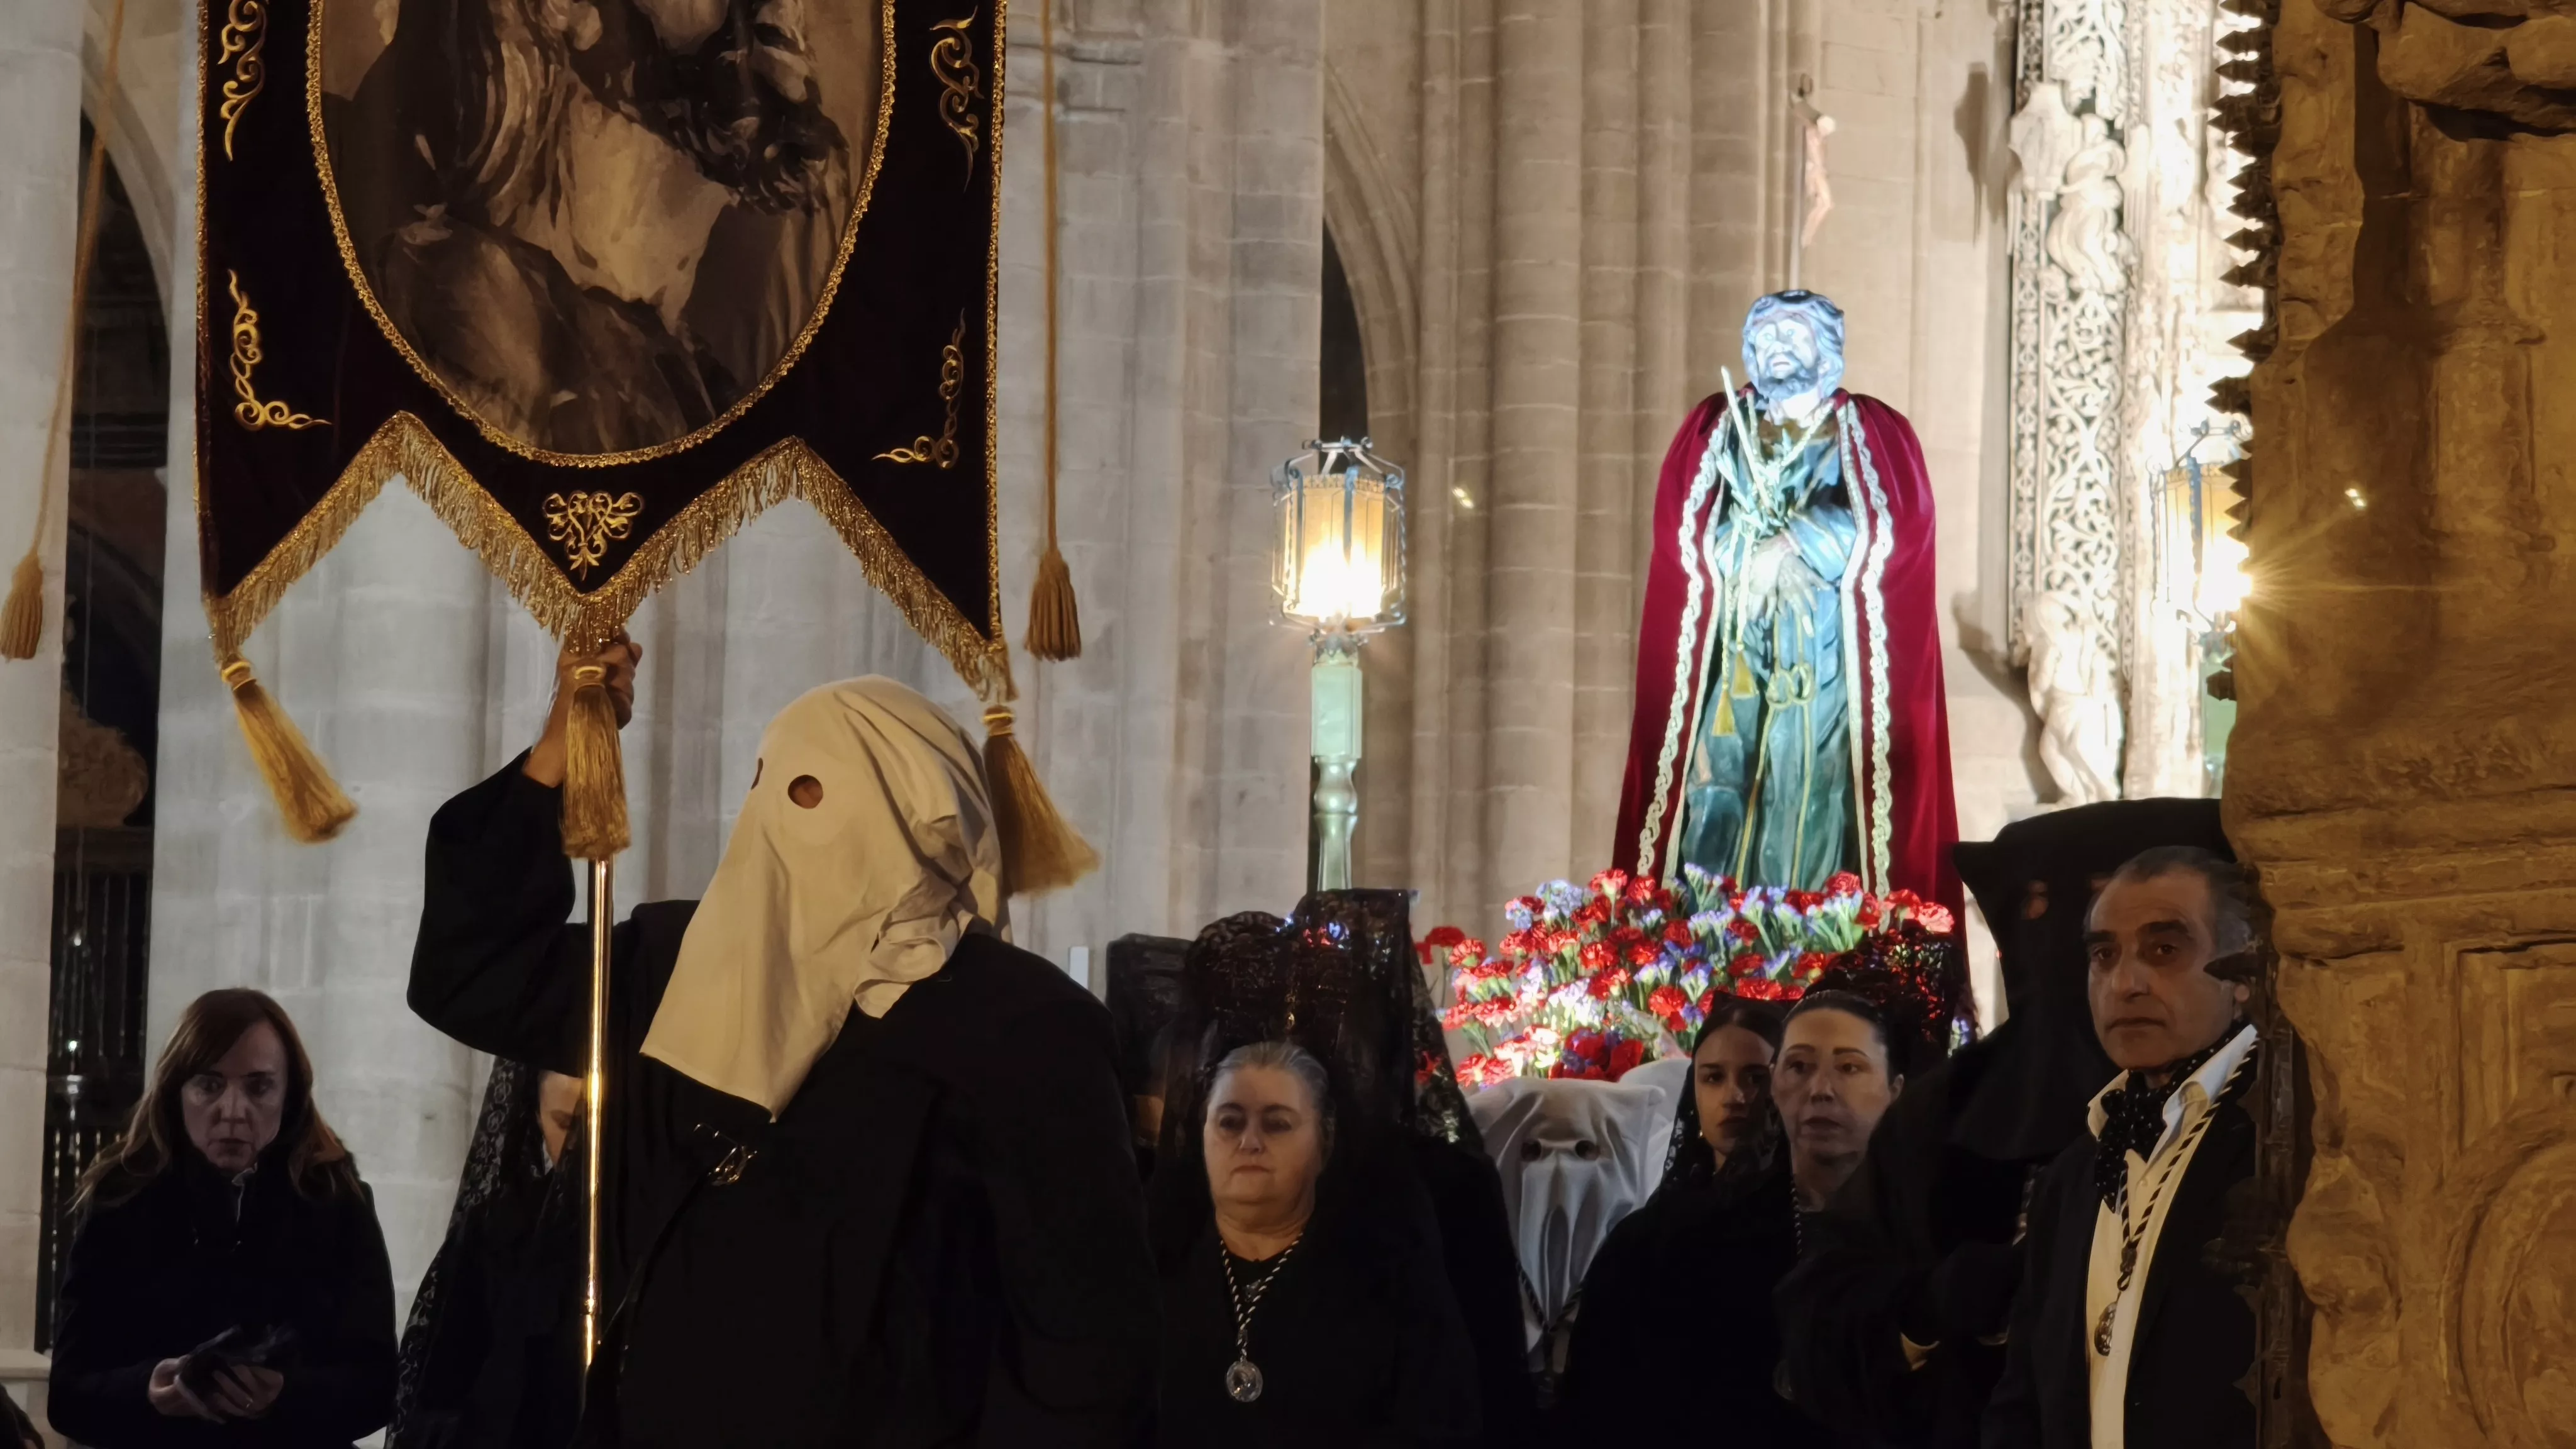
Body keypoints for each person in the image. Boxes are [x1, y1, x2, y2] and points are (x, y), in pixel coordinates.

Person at [408, 643, 1160, 1446]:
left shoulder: (1024, 1025)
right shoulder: (671, 961)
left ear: (911, 810)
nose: (770, 813)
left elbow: (1080, 1348)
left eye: (806, 789)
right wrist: (563, 747)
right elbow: (472, 972)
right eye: (761, 783)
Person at [1779, 799, 2233, 1448]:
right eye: (2039, 910)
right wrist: (1925, 1307)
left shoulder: (2258, 1111)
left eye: (2162, 946)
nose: (2126, 980)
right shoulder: (1950, 1109)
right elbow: (1821, 1315)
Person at [1616, 289, 1960, 922]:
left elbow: (1897, 526)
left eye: (1793, 334)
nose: (1777, 346)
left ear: (1827, 350)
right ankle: (1714, 936)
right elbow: (1681, 529)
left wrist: (1797, 541)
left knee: (1811, 790)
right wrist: (1748, 550)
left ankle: (1807, 935)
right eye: (1765, 335)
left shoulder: (1868, 429)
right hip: (1738, 650)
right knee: (1718, 786)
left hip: (1827, 658)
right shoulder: (1716, 428)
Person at [1152, 916, 1482, 1446]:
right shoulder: (1157, 1270)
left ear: (1325, 1143)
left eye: (1278, 1123)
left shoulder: (1386, 1284)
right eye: (1230, 1121)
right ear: (1201, 1135)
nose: (1250, 1142)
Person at [1983, 847, 2263, 1448]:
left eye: (2165, 950)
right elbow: (2026, 1395)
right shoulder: (2076, 1167)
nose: (2126, 983)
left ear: (2243, 975)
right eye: (2104, 955)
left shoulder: (2287, 1138)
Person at [47, 990, 397, 1448]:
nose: (233, 1111)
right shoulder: (122, 1201)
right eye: (209, 1085)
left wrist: (285, 1396)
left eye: (258, 1087)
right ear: (177, 1091)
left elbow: (377, 1387)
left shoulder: (335, 1201)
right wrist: (146, 1391)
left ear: (289, 1095)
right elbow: (68, 1395)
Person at [1559, 998, 1786, 1442]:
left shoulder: (1806, 1223)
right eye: (1713, 1077)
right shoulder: (1645, 1237)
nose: (1735, 1097)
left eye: (1756, 1078)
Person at [387, 1063, 585, 1449]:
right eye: (564, 1124)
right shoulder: (494, 1230)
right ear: (535, 1115)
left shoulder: (656, 1226)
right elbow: (443, 1388)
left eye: (596, 1125)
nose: (580, 1146)